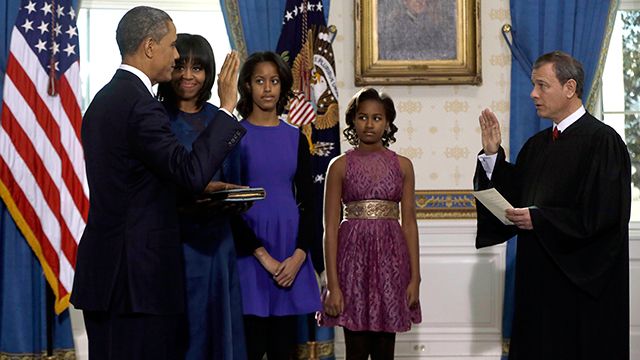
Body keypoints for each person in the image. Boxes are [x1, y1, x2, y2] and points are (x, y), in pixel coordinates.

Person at [70, 7, 244, 359]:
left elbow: (131, 180)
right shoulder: (142, 105)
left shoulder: (103, 100)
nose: (177, 55)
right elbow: (192, 173)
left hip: (107, 273)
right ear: (150, 46)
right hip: (138, 280)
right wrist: (226, 108)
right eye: (172, 45)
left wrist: (196, 190)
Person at [474, 51, 630, 359]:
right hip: (537, 283)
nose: (533, 94)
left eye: (542, 85)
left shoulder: (603, 141)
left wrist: (540, 220)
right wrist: (493, 156)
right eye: (533, 85)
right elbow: (513, 200)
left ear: (569, 88)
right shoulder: (537, 145)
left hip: (580, 292)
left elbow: (605, 216)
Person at [157, 33, 247, 360]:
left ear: (209, 73)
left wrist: (239, 199)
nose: (188, 75)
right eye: (180, 66)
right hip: (175, 242)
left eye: (197, 68)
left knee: (219, 332)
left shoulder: (220, 118)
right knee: (184, 334)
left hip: (219, 243)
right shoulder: (156, 118)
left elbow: (236, 179)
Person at [318, 88, 422, 359]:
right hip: (352, 265)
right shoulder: (339, 166)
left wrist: (415, 278)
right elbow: (330, 229)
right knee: (356, 349)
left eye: (377, 118)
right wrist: (333, 284)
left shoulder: (403, 166)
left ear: (387, 122)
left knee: (385, 350)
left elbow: (409, 224)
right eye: (363, 117)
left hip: (391, 264)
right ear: (353, 120)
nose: (369, 124)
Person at [233, 51, 322, 359]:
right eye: (260, 81)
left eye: (274, 81)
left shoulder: (297, 137)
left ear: (283, 87)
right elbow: (229, 206)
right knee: (252, 345)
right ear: (247, 86)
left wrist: (299, 255)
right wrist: (263, 257)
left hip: (289, 252)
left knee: (285, 348)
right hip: (250, 252)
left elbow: (310, 204)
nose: (267, 88)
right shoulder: (235, 137)